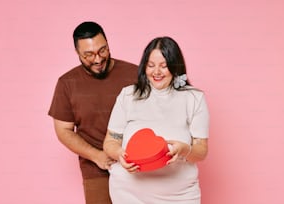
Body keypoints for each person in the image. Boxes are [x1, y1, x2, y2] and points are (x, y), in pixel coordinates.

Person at [103, 36, 209, 204]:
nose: (156, 72)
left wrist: (184, 150)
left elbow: (201, 151)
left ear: (175, 66)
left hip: (179, 194)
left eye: (164, 66)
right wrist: (118, 154)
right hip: (129, 193)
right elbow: (110, 141)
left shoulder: (194, 98)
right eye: (151, 65)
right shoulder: (128, 95)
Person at [48, 21, 137, 204]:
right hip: (96, 170)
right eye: (88, 54)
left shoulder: (134, 74)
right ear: (77, 53)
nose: (97, 59)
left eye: (102, 50)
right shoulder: (67, 83)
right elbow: (63, 130)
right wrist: (97, 156)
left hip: (137, 166)